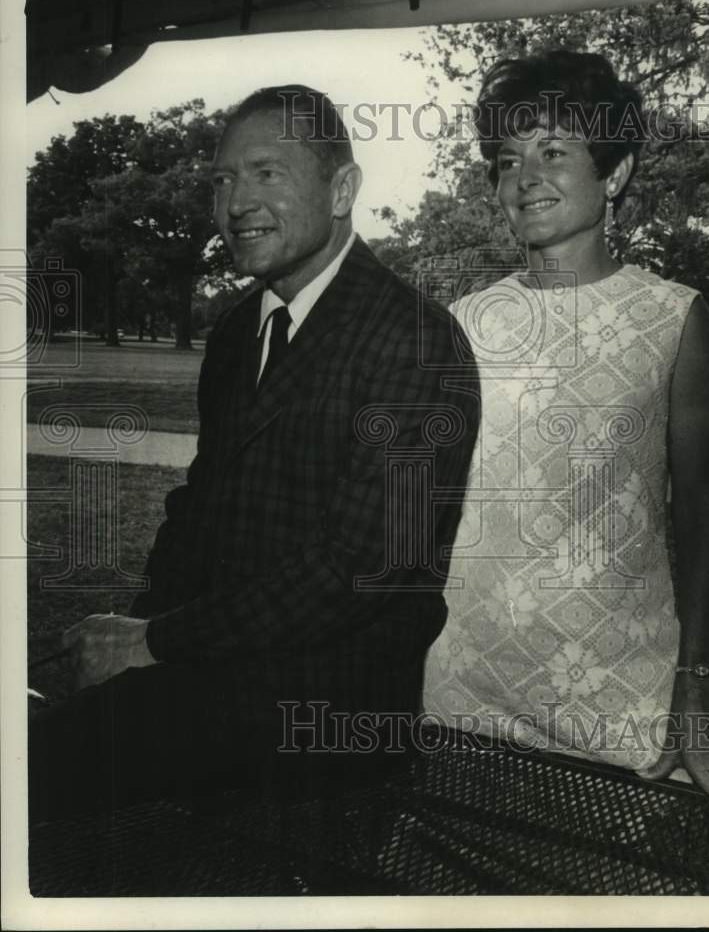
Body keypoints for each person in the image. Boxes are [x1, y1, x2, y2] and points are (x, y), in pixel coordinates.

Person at [30, 85, 480, 821]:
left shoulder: (418, 339)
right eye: (222, 181)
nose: (236, 202)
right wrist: (132, 634)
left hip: (329, 715)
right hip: (216, 675)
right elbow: (198, 511)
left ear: (342, 190)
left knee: (38, 772)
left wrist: (154, 643)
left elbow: (358, 567)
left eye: (267, 173)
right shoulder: (241, 333)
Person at [424, 51, 709, 810]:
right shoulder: (460, 325)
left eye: (554, 152)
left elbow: (698, 513)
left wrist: (695, 688)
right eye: (506, 160)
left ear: (615, 174)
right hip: (464, 689)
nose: (524, 177)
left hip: (618, 699)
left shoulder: (675, 318)